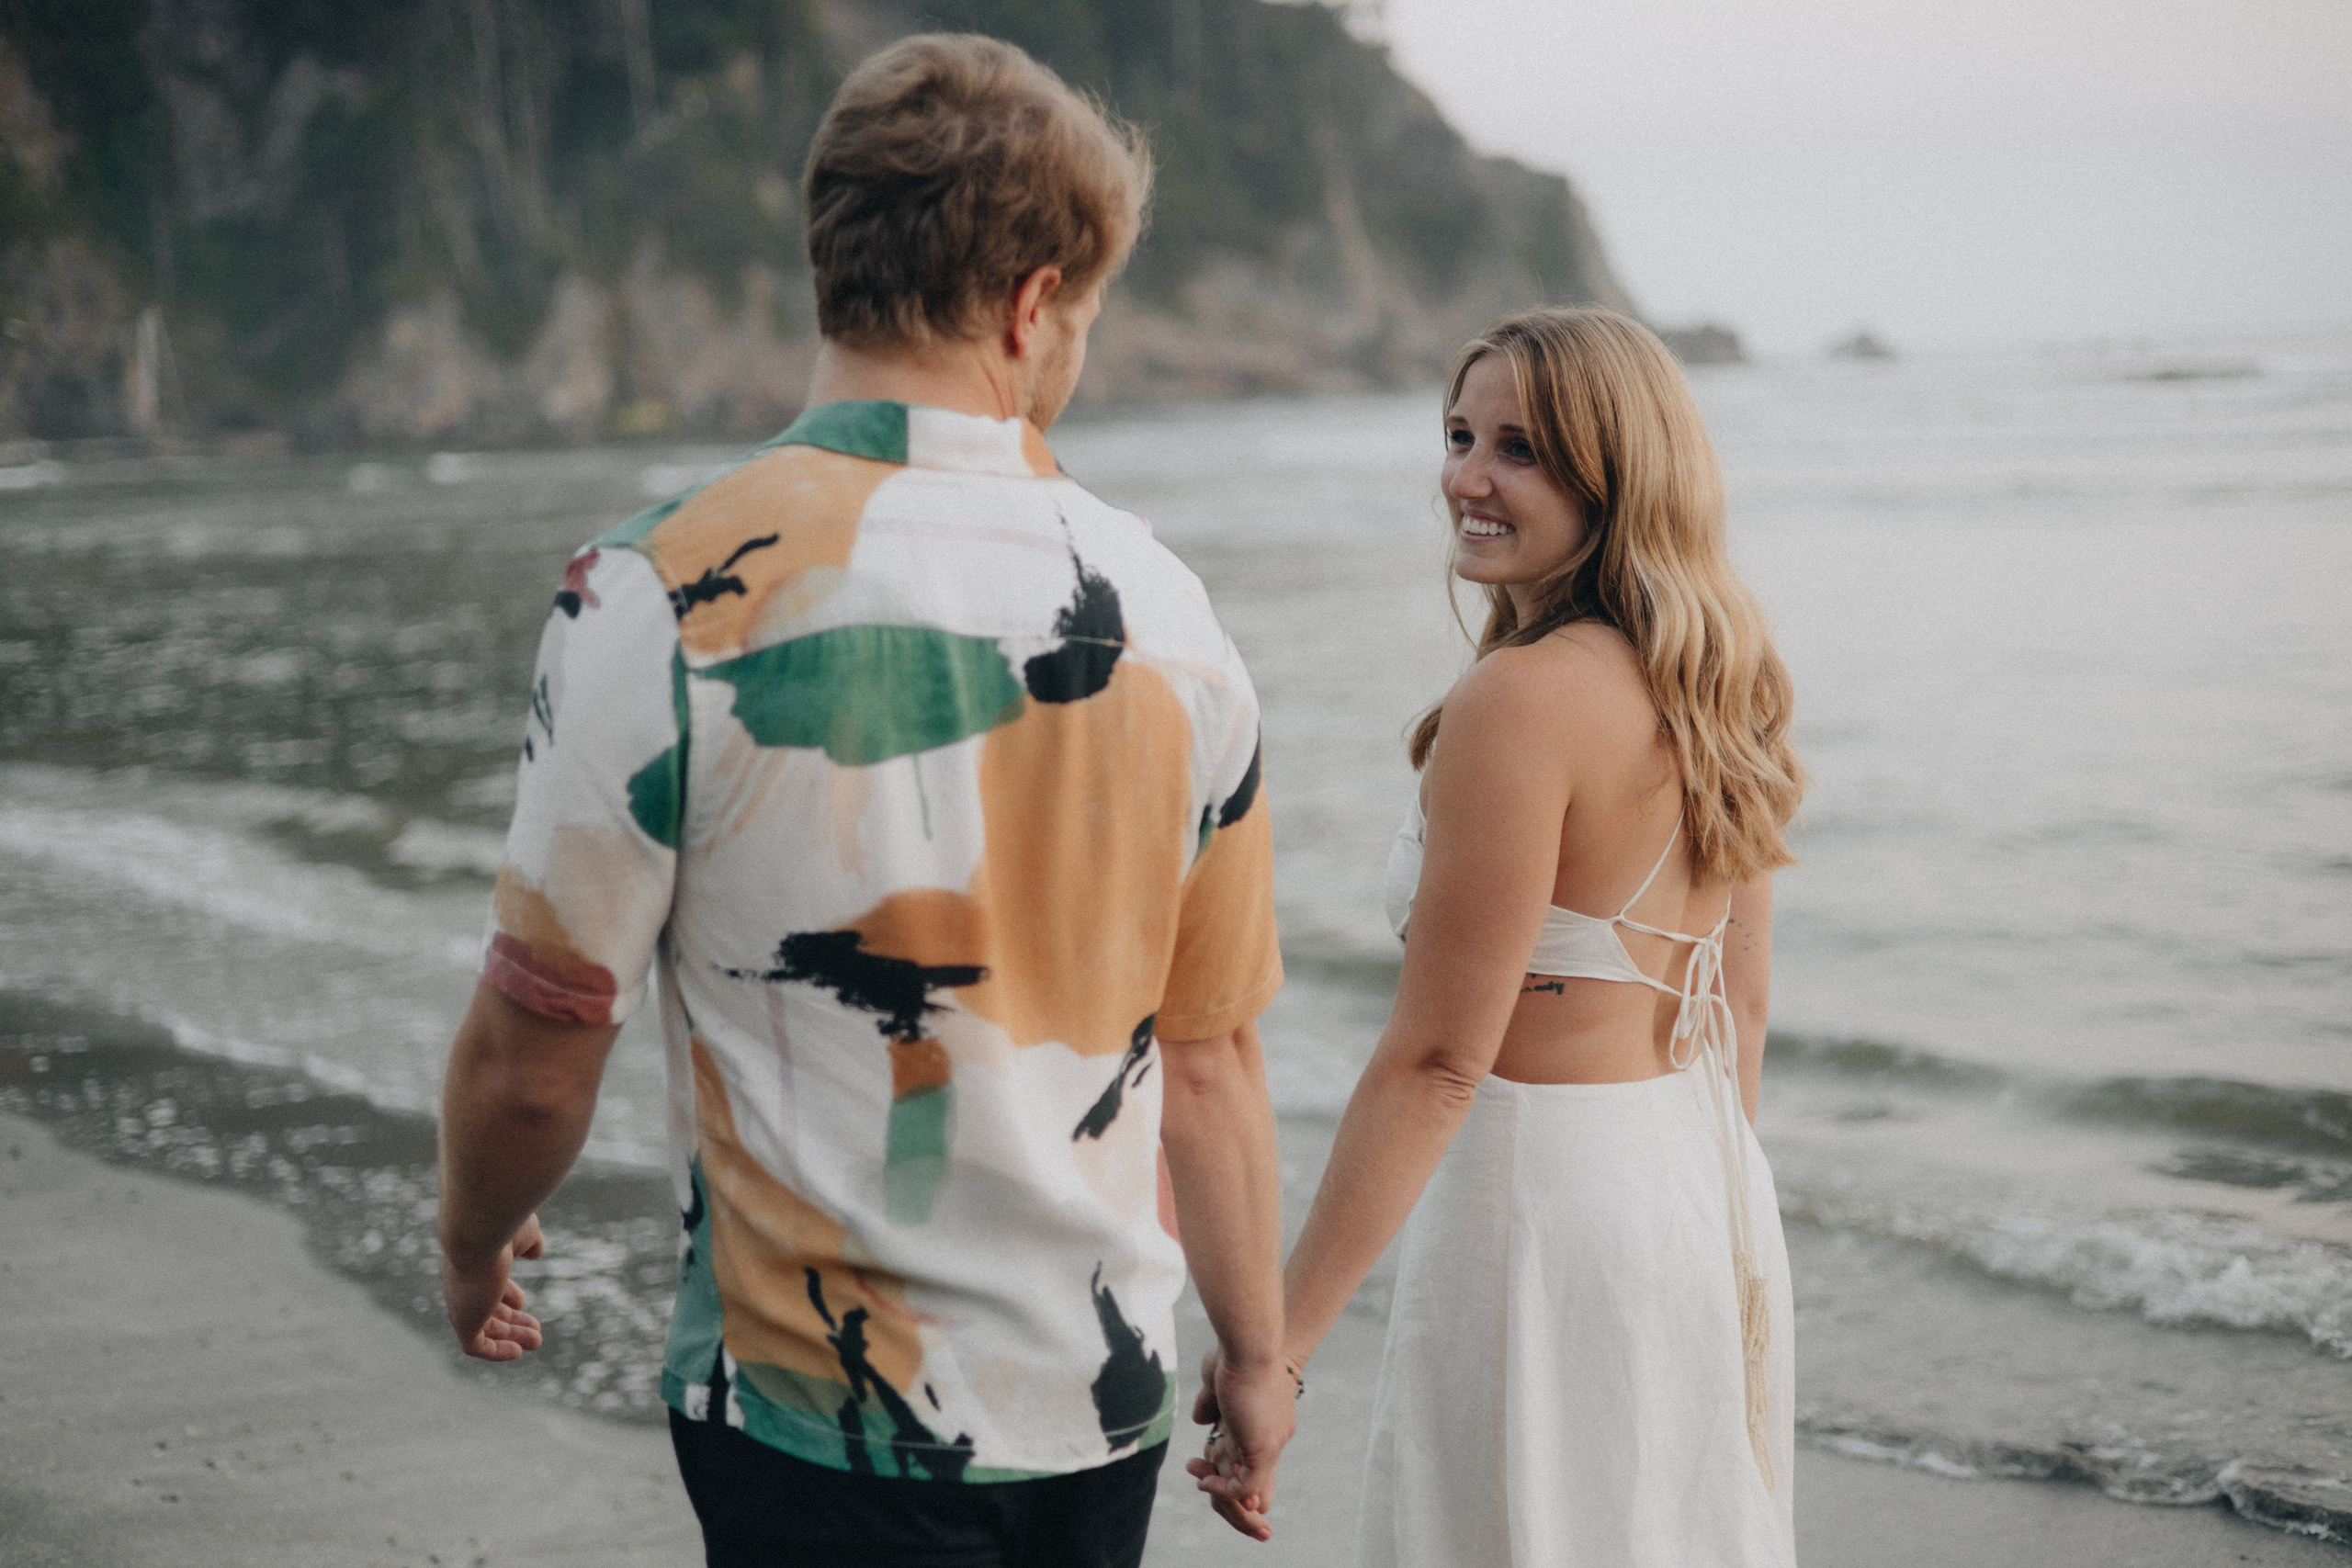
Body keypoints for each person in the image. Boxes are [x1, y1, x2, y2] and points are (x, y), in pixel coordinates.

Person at [435, 34, 1296, 1567]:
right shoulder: (1171, 619)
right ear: (1032, 303)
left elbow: (538, 1050)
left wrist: (470, 1238)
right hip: (1099, 1405)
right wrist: (1259, 1352)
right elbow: (1214, 1060)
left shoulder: (658, 592)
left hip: (811, 1411)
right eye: (1083, 316)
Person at [1196, 307, 1808, 1563]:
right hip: (1698, 1190)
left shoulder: (1521, 700)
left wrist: (1279, 1352)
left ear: (1614, 474)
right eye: (1460, 435)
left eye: (1519, 449)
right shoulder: (1722, 676)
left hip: (1543, 1208)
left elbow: (1438, 1062)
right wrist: (1707, 1220)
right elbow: (1738, 1012)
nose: (1466, 478)